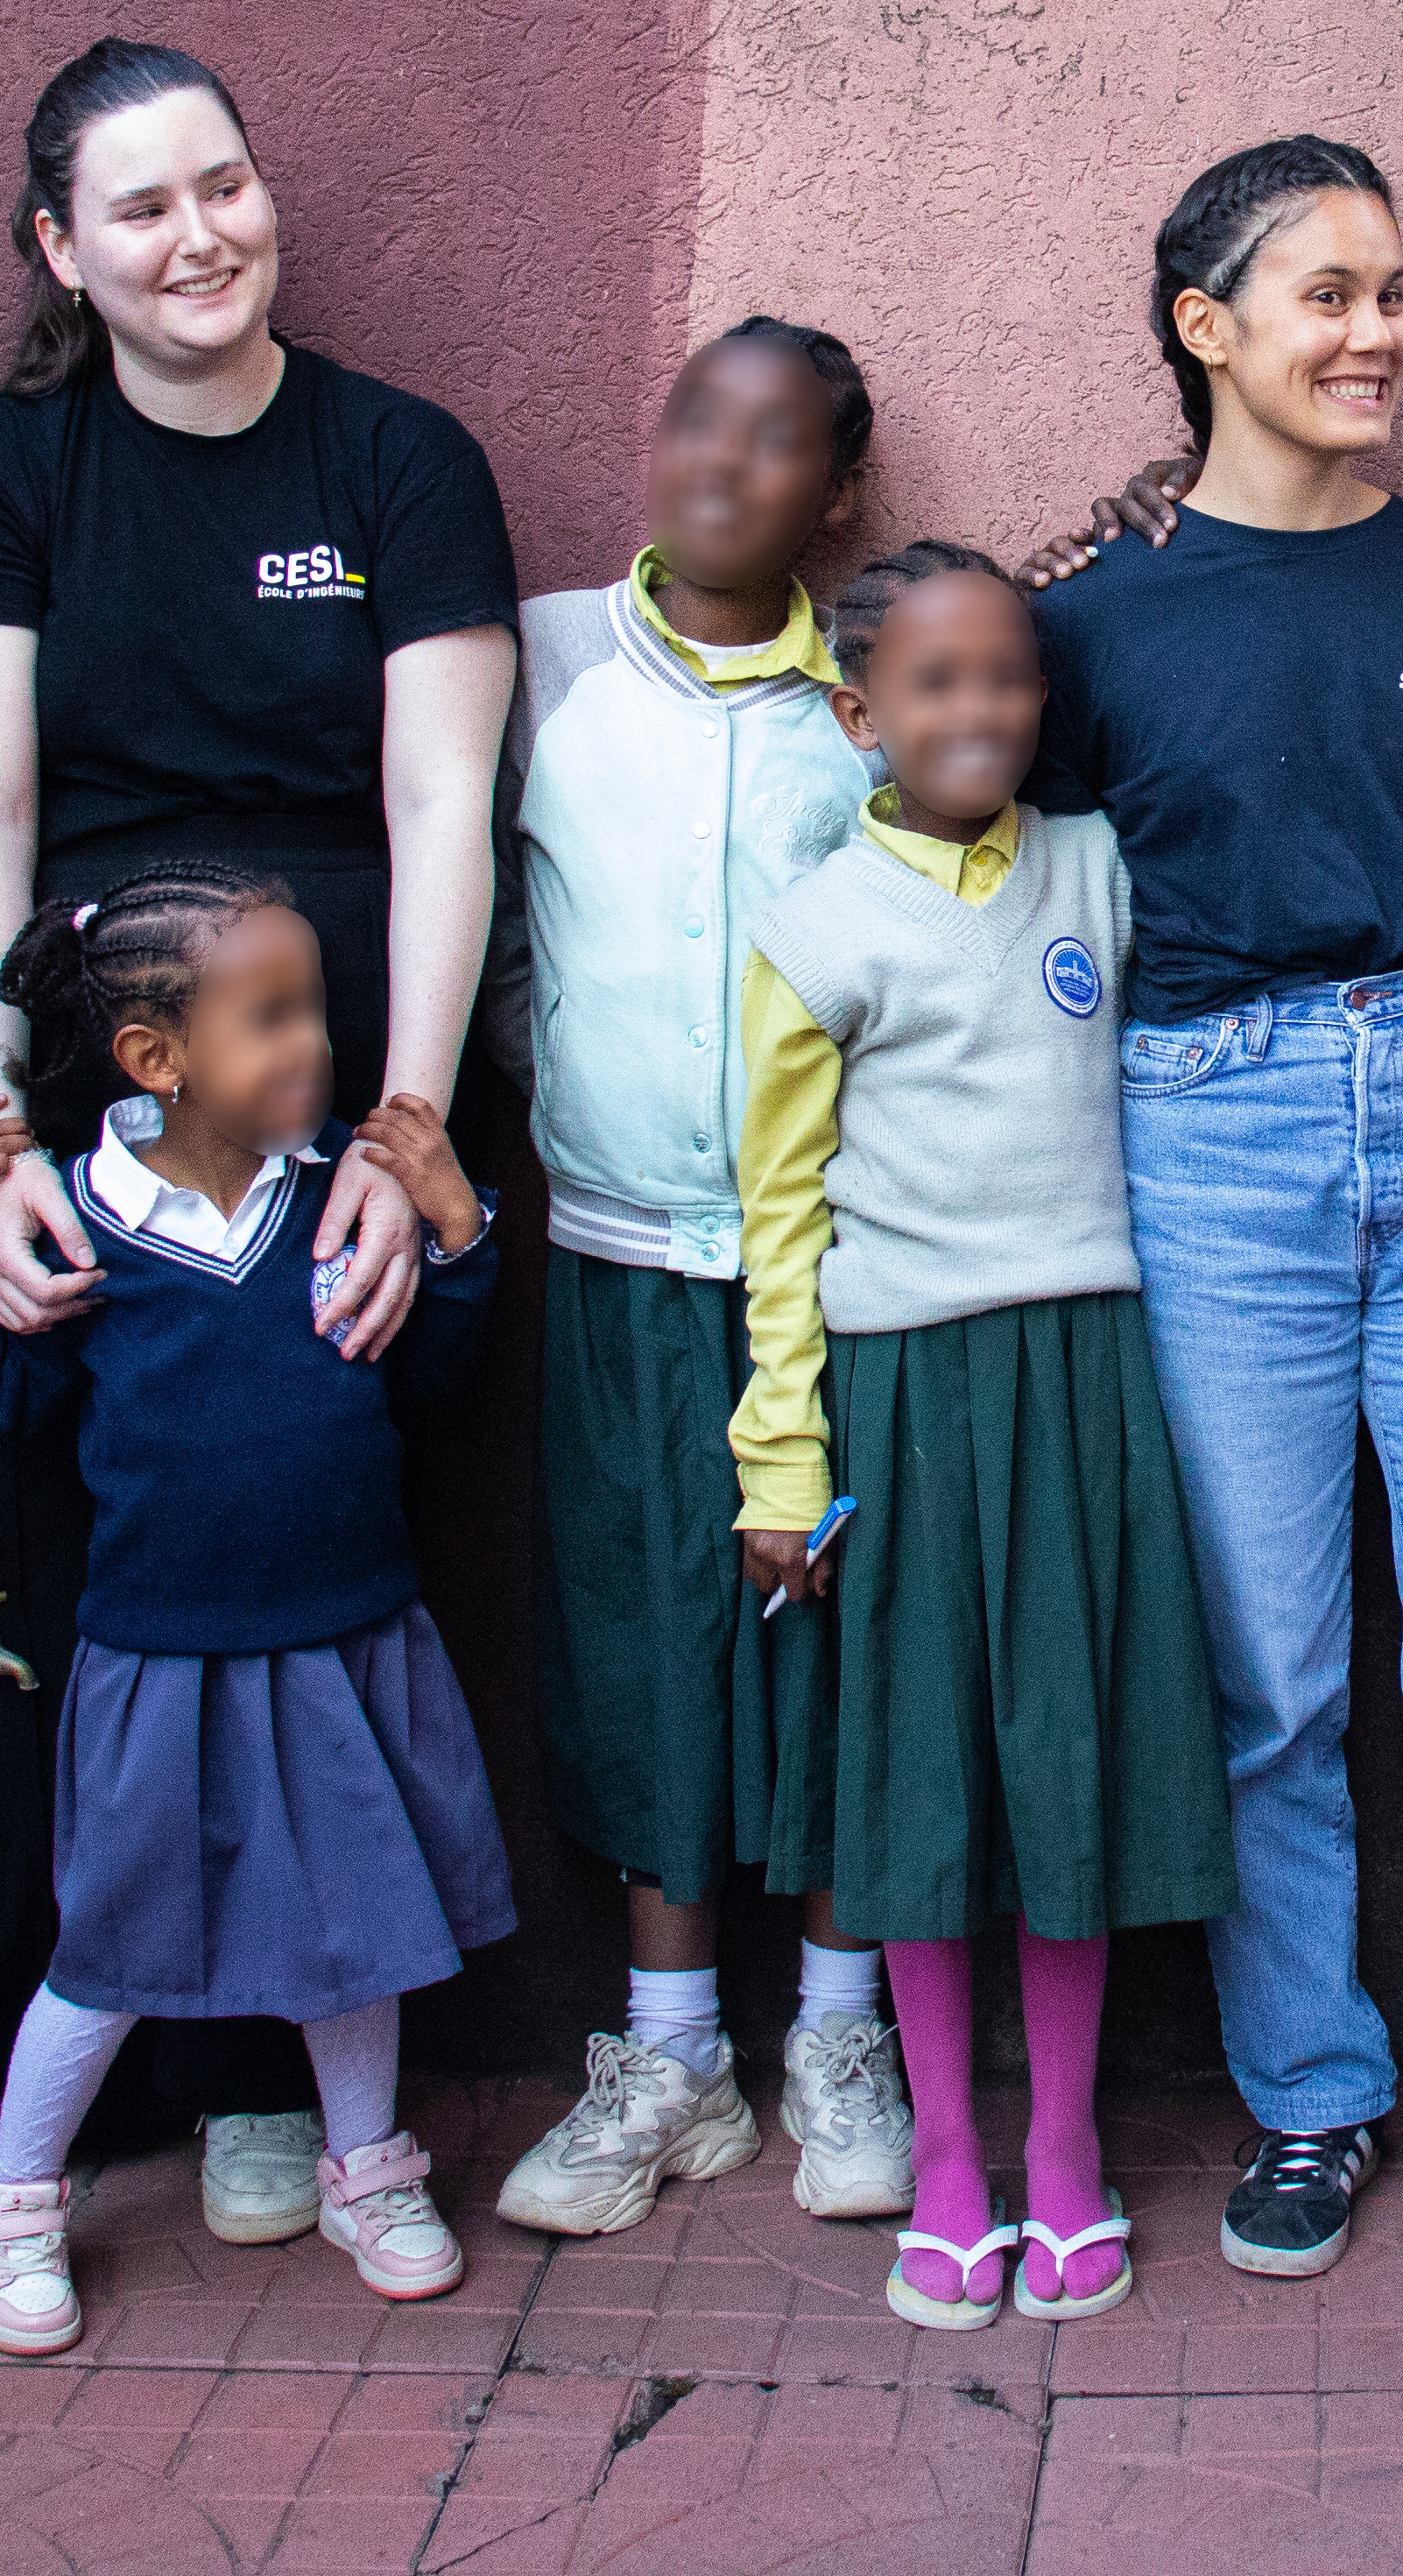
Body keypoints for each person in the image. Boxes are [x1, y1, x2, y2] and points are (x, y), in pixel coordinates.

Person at [0, 40, 519, 2262]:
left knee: (309, 1562)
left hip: (339, 1093)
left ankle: (259, 2083)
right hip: (73, 1113)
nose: (198, 232)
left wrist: (405, 1127)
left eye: (223, 181)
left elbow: (439, 809)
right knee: (39, 1565)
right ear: (63, 252)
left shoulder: (401, 459)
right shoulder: (0, 471)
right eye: (139, 208)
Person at [1012, 138, 1403, 2284]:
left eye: (1393, 291)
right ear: (1207, 329)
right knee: (1267, 1670)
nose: (1378, 331)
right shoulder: (1092, 620)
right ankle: (1308, 2091)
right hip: (1210, 1131)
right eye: (1327, 295)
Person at [0, 865, 517, 2360]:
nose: (315, 1044)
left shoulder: (331, 1211)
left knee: (356, 1921)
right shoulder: (90, 1234)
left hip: (345, 1638)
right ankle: (19, 2193)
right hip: (160, 1658)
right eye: (274, 1018)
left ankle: (365, 2171)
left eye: (314, 1007)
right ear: (155, 1063)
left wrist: (456, 1238)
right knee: (109, 1941)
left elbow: (429, 1378)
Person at [726, 544, 1238, 2328]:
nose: (980, 712)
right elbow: (778, 1212)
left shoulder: (1100, 866)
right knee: (926, 1782)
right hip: (908, 1396)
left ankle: (1071, 2151)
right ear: (861, 712)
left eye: (1009, 676)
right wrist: (780, 1461)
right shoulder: (820, 928)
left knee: (1071, 1759)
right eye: (936, 684)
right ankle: (951, 2157)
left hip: (1091, 1375)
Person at [483, 322, 909, 2238]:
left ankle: (838, 2028)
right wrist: (561, 1077)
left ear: (834, 490)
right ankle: (670, 2052)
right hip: (623, 1249)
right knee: (646, 1634)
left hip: (830, 1260)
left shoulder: (869, 690)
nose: (721, 464)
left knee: (831, 1626)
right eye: (695, 420)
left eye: (777, 442)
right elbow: (489, 915)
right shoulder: (550, 657)